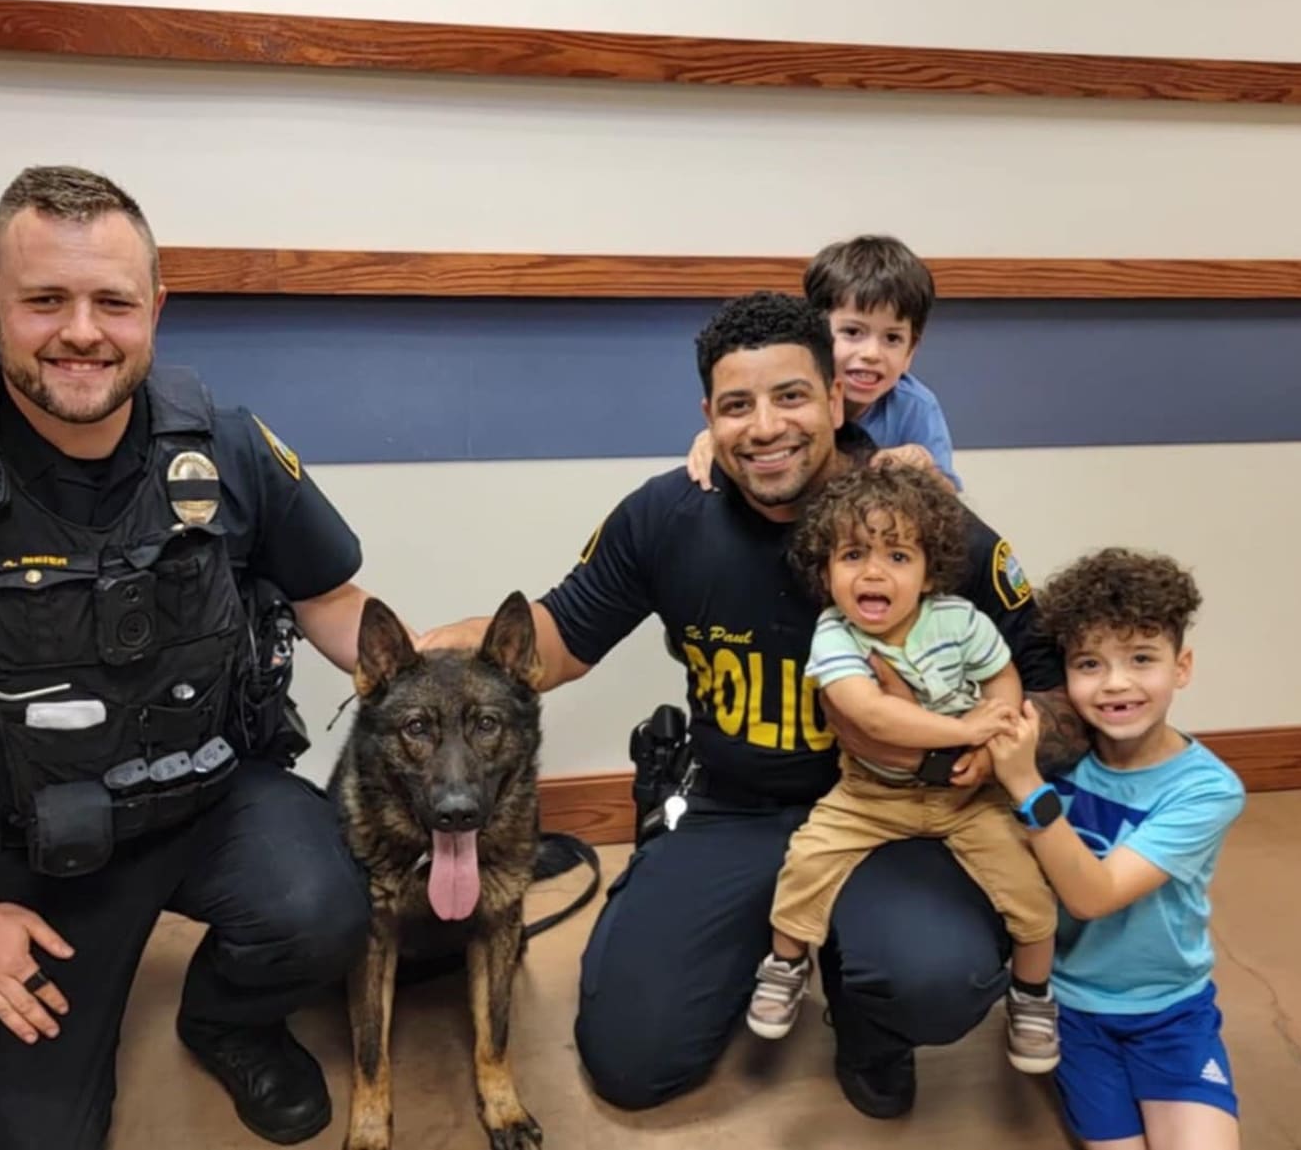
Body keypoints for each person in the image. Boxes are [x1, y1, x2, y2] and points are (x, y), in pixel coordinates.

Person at [0, 165, 378, 1149]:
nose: (83, 331)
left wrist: (461, 678)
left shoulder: (224, 444)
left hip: (215, 795)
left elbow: (334, 602)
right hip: (30, 844)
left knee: (328, 905)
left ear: (156, 310)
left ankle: (228, 1016)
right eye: (45, 299)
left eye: (113, 302)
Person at [419, 291, 1087, 1118]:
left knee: (932, 977)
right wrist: (441, 649)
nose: (765, 426)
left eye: (792, 396)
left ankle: (867, 1010)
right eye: (737, 405)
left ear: (837, 400)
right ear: (709, 415)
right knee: (631, 1061)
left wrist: (1004, 751)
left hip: (899, 810)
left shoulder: (926, 526)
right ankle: (739, 927)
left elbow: (1056, 685)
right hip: (733, 806)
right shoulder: (667, 513)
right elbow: (556, 636)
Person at [746, 464, 1060, 1080]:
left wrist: (992, 724)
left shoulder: (960, 619)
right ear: (825, 570)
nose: (873, 572)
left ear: (929, 569)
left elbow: (1001, 674)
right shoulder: (835, 635)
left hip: (969, 799)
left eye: (897, 554)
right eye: (853, 554)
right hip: (870, 794)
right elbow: (873, 715)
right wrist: (967, 730)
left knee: (1028, 886)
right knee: (806, 859)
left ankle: (1033, 994)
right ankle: (785, 964)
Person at [987, 548, 1245, 1150]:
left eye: (1141, 659)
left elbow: (1092, 896)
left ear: (1181, 667)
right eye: (1090, 663)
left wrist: (1026, 786)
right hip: (1072, 1011)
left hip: (1173, 1012)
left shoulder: (1207, 790)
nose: (1116, 683)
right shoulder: (1057, 761)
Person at [685, 234, 962, 489]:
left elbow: (951, 504)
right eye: (853, 332)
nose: (872, 354)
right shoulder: (791, 388)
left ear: (910, 352)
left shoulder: (916, 406)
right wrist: (712, 440)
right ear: (817, 334)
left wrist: (924, 467)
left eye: (892, 338)